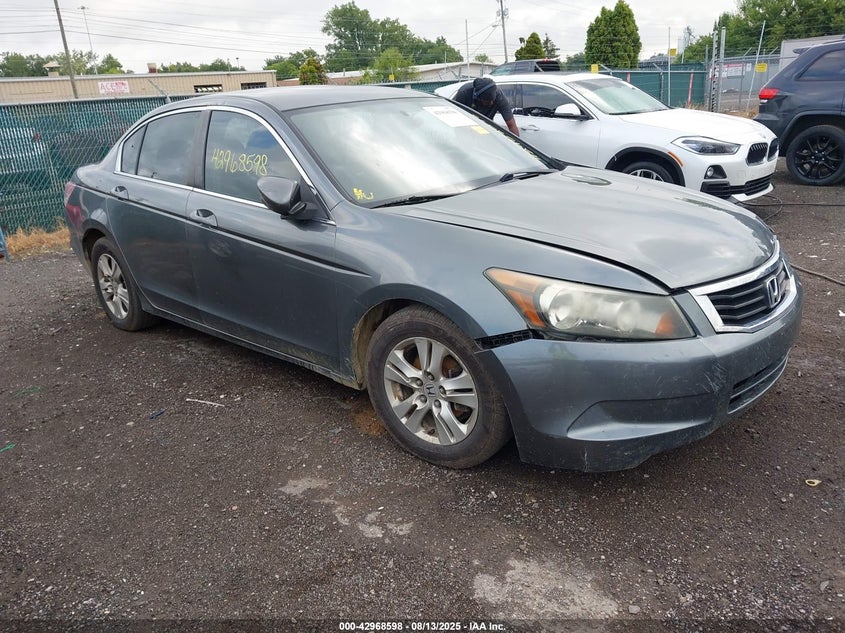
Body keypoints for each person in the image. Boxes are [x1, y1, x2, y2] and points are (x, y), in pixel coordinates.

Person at [452, 77, 520, 137]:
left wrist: (519, 148)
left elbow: (511, 125)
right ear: (479, 99)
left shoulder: (499, 96)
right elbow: (458, 123)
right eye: (488, 101)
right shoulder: (464, 94)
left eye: (493, 100)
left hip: (486, 129)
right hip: (467, 129)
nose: (492, 103)